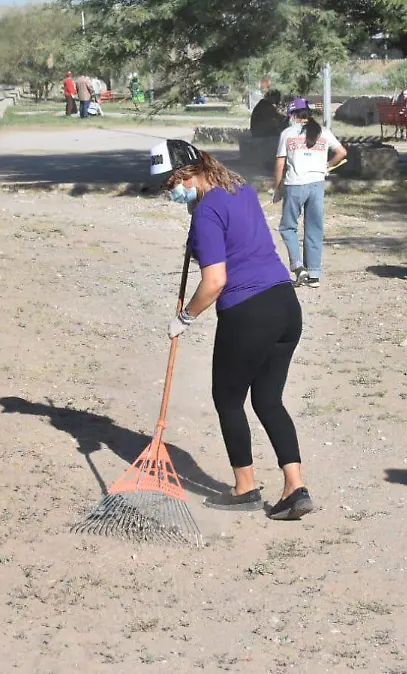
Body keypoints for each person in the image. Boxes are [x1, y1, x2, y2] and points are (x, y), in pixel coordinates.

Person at [152, 139, 314, 521]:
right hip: (285, 306)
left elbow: (214, 282)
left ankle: (245, 489)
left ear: (187, 174)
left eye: (170, 183)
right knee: (268, 400)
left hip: (248, 313)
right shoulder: (238, 187)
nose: (170, 191)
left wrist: (185, 317)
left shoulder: (206, 212)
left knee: (227, 399)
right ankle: (295, 488)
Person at [273, 98, 347, 289]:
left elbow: (280, 164)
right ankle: (314, 274)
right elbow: (341, 152)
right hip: (317, 184)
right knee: (314, 228)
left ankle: (299, 267)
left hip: (295, 185)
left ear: (292, 115)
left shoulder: (288, 133)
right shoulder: (323, 132)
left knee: (288, 227)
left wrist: (278, 188)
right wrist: (327, 166)